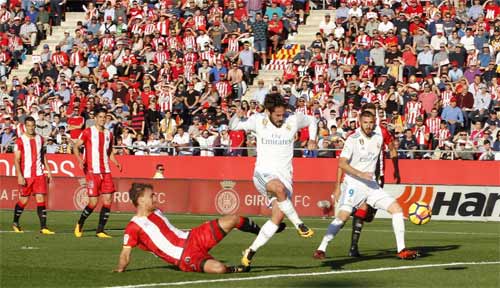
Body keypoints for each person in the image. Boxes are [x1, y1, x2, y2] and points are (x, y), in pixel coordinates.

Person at [313, 111, 418, 260]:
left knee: (397, 209)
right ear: (359, 123)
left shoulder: (378, 137)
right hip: (354, 184)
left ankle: (402, 250)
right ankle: (321, 248)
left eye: (371, 122)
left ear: (374, 122)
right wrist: (359, 175)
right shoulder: (353, 139)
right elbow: (342, 163)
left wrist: (395, 169)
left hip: (371, 184)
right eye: (365, 122)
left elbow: (392, 148)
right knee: (343, 217)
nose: (368, 126)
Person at [229, 93, 317, 267]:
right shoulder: (257, 120)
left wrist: (313, 138)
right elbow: (235, 126)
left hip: (285, 176)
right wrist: (236, 115)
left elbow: (312, 120)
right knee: (278, 189)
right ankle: (300, 224)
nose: (280, 118)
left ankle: (250, 252)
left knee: (276, 218)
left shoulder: (292, 119)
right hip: (263, 173)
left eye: (282, 114)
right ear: (268, 111)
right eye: (277, 115)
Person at [114, 183, 260, 273]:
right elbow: (125, 254)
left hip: (193, 237)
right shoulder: (133, 227)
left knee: (233, 219)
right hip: (185, 257)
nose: (156, 198)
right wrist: (119, 269)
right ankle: (235, 269)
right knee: (219, 268)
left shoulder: (157, 211)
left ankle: (263, 233)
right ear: (141, 200)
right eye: (152, 196)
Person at [73, 108, 122, 238]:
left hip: (105, 171)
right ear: (95, 118)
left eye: (104, 117)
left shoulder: (109, 134)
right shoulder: (88, 132)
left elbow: (109, 151)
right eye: (100, 117)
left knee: (108, 200)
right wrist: (79, 160)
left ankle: (100, 230)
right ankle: (80, 223)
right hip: (92, 171)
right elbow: (76, 146)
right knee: (93, 202)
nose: (102, 119)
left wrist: (116, 162)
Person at [12, 116, 55, 234]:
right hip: (26, 175)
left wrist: (49, 171)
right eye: (29, 126)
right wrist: (19, 176)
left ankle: (44, 227)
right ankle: (15, 222)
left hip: (39, 174)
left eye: (33, 125)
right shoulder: (20, 141)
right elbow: (16, 159)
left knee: (41, 199)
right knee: (24, 200)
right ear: (25, 126)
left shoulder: (40, 139)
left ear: (35, 126)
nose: (31, 128)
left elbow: (42, 156)